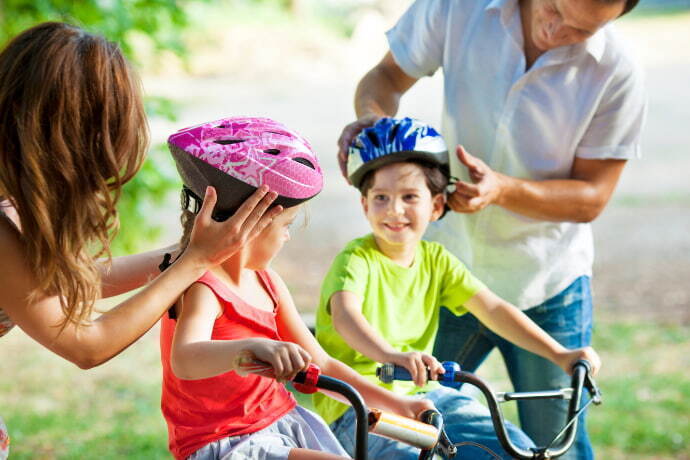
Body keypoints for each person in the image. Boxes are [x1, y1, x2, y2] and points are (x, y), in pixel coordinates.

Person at [335, 1, 646, 458]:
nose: (555, 31)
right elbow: (383, 78)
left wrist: (502, 190)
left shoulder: (617, 73)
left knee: (554, 446)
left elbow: (592, 197)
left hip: (547, 281)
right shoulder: (458, 8)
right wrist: (376, 125)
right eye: (554, 9)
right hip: (442, 274)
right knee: (416, 428)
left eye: (580, 31)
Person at [0, 22, 281, 458]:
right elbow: (86, 345)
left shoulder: (9, 198)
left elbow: (64, 282)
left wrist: (190, 253)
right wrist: (193, 263)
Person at [315, 117, 601, 459]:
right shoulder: (356, 260)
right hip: (359, 407)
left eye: (409, 196)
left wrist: (561, 355)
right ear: (364, 205)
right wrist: (391, 356)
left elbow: (493, 309)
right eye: (380, 197)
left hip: (428, 398)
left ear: (436, 206)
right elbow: (347, 316)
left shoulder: (436, 260)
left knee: (516, 449)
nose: (394, 209)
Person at [160, 116, 434, 460]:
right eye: (286, 224)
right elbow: (185, 359)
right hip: (227, 442)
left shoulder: (269, 283)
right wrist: (250, 348)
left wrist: (398, 403)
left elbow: (322, 366)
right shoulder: (204, 286)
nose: (288, 236)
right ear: (252, 222)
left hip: (281, 422)